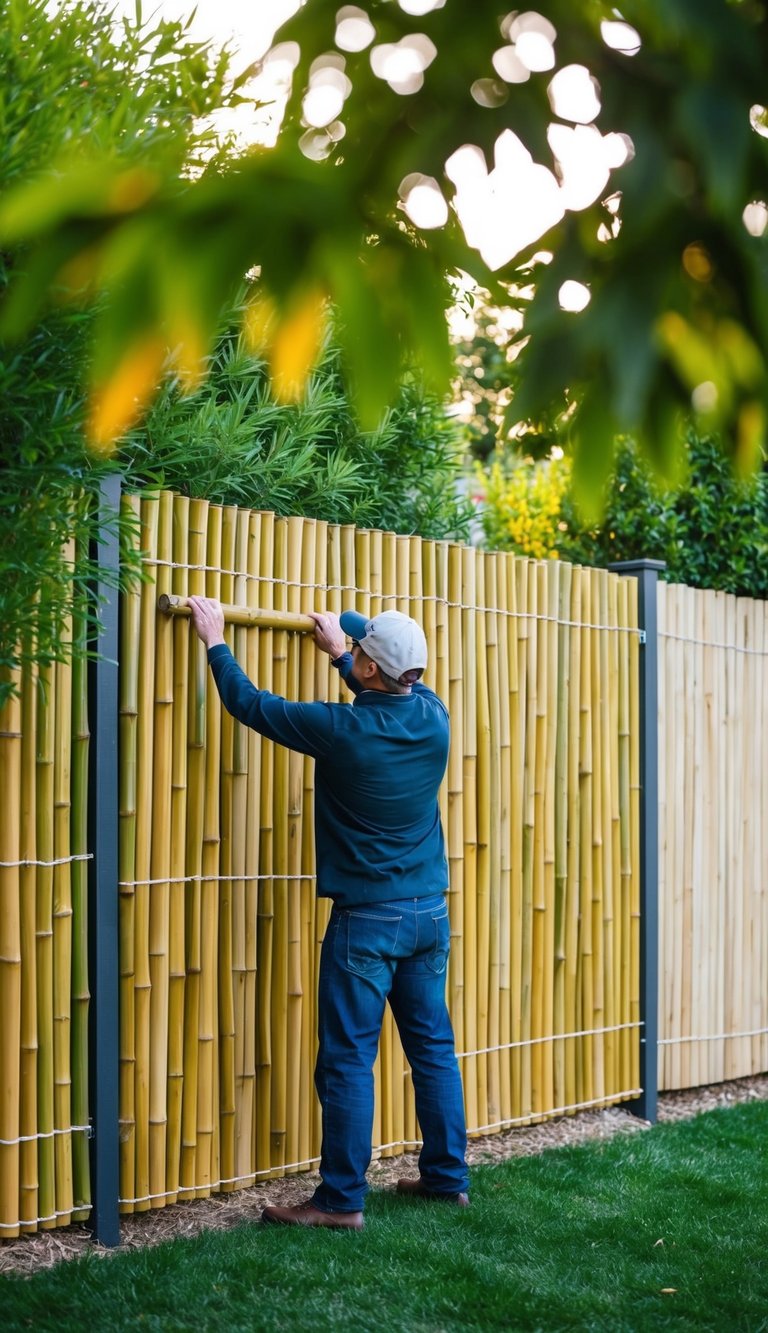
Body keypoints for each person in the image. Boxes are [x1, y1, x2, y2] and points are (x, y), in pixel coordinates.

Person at [187, 596, 469, 1230]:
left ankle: (340, 1201)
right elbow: (381, 689)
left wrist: (215, 640)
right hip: (429, 915)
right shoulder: (434, 716)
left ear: (374, 670)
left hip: (367, 922)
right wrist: (345, 656)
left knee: (346, 1058)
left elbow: (251, 705)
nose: (355, 648)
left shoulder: (343, 733)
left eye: (362, 648)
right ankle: (447, 1179)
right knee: (433, 1049)